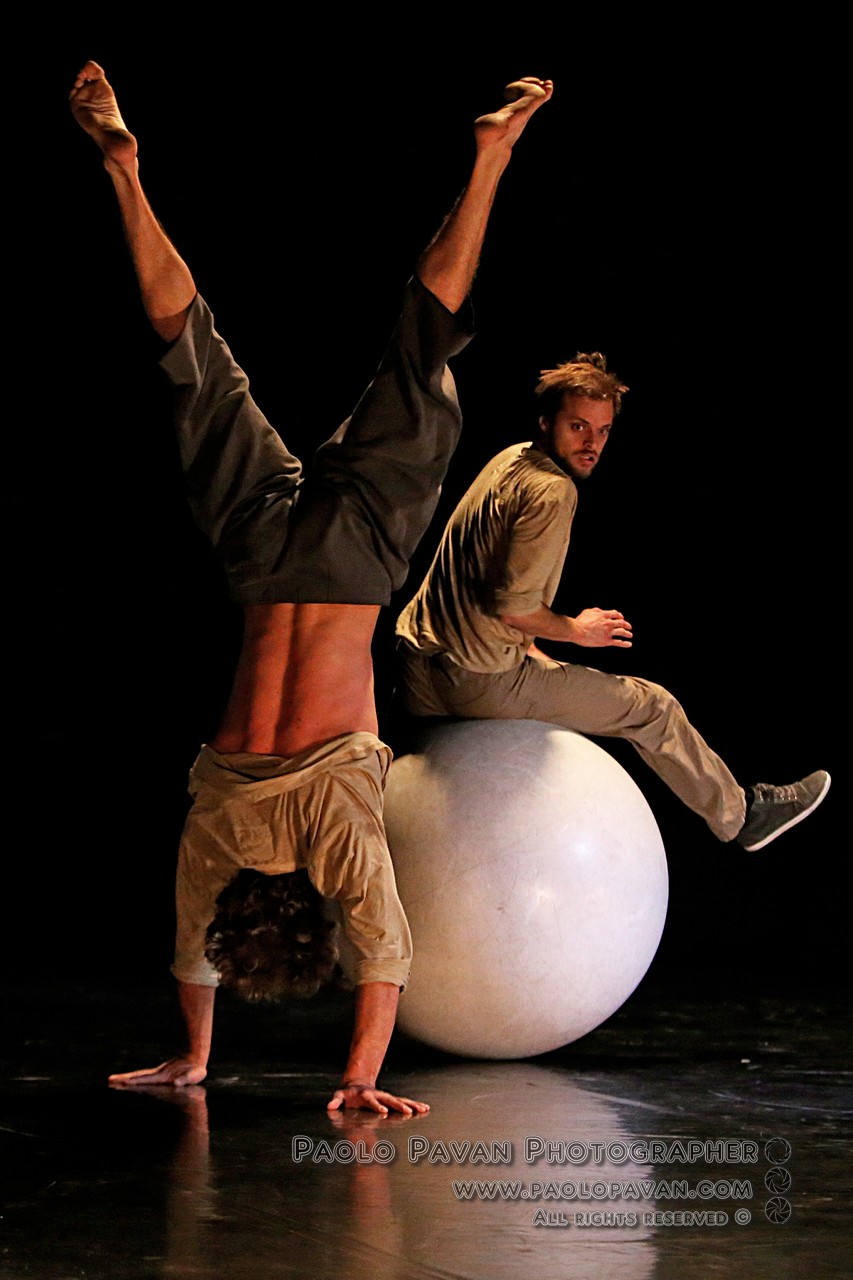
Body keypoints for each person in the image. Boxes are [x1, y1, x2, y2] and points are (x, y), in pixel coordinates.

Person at [70, 59, 553, 1113]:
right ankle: (124, 174)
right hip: (256, 561)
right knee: (192, 356)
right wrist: (192, 1052)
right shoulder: (214, 834)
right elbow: (191, 953)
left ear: (307, 905)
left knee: (423, 353)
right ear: (241, 901)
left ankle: (490, 161)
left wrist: (359, 1078)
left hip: (353, 562)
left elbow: (384, 955)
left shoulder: (337, 840)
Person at [396, 353, 830, 850]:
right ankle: (742, 817)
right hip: (476, 683)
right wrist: (578, 631)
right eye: (578, 426)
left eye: (602, 431)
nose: (591, 443)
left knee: (545, 673)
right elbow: (513, 608)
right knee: (653, 708)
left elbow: (483, 575)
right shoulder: (553, 491)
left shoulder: (509, 460)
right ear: (546, 422)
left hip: (417, 665)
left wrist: (533, 650)